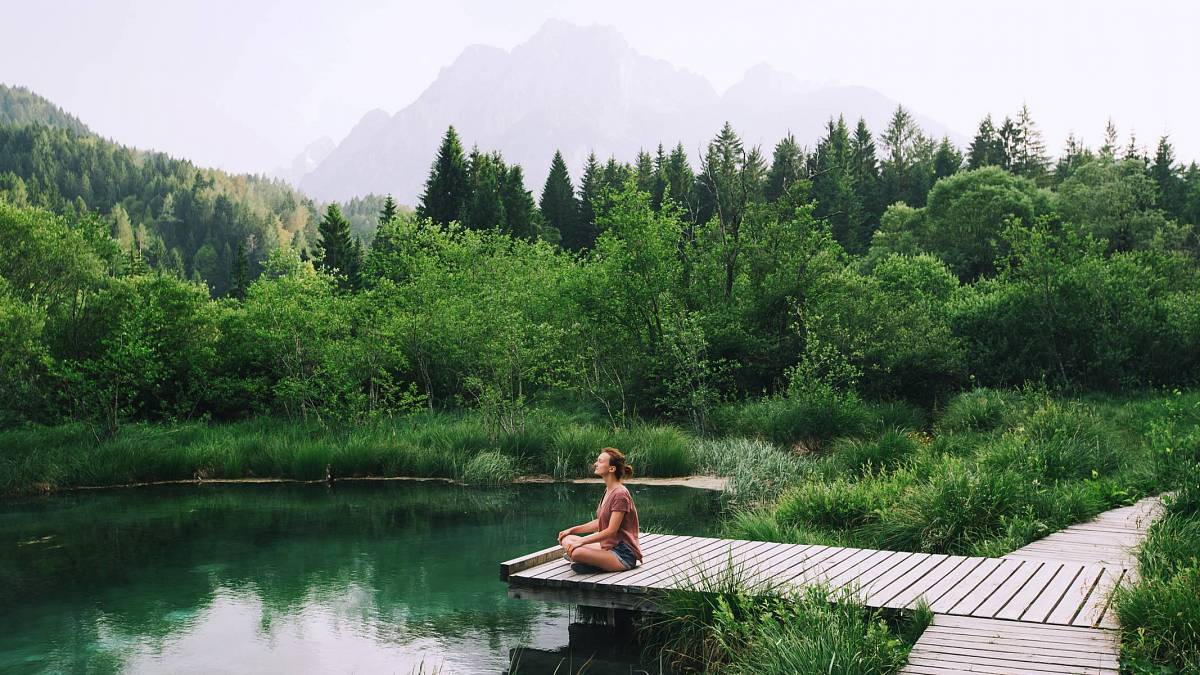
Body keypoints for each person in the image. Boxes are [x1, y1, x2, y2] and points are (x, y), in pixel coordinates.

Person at [557, 447, 642, 573]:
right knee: (567, 539)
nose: (596, 464)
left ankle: (589, 561)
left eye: (600, 461)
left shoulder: (620, 494)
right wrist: (572, 530)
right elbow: (600, 522)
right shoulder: (608, 490)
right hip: (608, 548)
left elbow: (611, 531)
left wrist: (581, 542)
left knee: (576, 552)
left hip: (623, 554)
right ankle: (591, 561)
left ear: (611, 469)